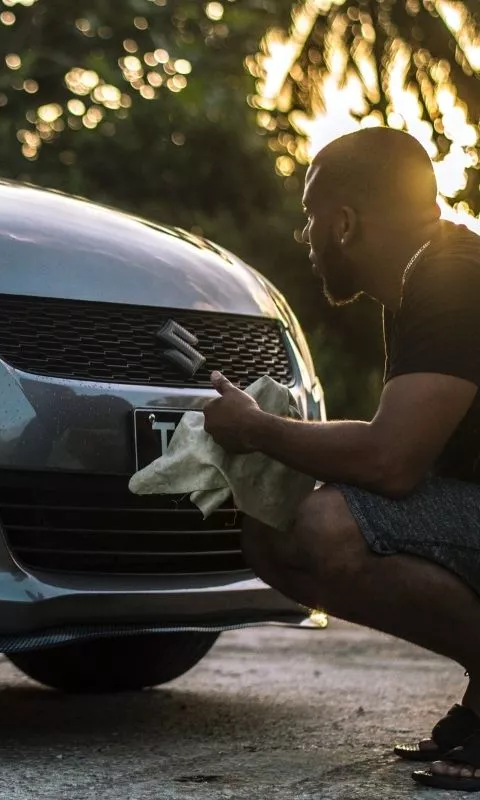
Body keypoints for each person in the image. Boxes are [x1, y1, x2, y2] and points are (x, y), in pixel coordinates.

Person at [202, 126, 480, 792]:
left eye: (311, 217)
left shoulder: (452, 279)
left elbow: (392, 462)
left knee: (323, 526)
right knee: (274, 530)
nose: (306, 236)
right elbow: (417, 451)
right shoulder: (427, 276)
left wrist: (258, 429)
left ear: (346, 223)